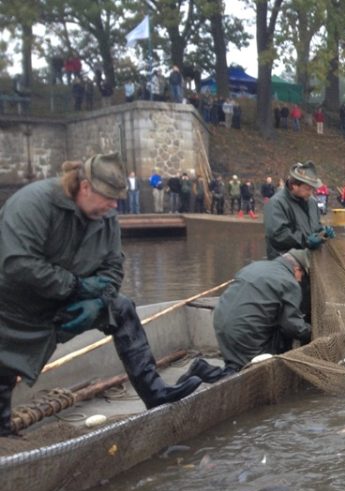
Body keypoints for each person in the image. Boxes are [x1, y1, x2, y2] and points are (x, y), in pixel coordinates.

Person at [0, 154, 201, 435]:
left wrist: (100, 300)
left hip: (65, 304)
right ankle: (4, 433)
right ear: (84, 187)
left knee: (121, 309)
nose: (114, 205)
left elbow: (114, 267)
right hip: (13, 309)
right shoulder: (32, 204)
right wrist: (76, 287)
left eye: (117, 199)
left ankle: (156, 393)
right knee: (4, 367)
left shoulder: (104, 216)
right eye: (108, 197)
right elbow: (17, 264)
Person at [177, 250, 313, 385]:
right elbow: (292, 326)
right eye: (302, 275)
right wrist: (310, 330)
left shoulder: (255, 266)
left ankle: (210, 370)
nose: (300, 279)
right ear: (296, 269)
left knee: (235, 365)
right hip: (245, 330)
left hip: (221, 322)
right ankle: (203, 370)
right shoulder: (290, 283)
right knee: (247, 378)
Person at [264, 161, 333, 260]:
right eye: (307, 189)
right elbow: (278, 235)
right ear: (294, 186)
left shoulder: (312, 202)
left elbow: (315, 227)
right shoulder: (276, 203)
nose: (311, 193)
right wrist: (307, 241)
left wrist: (323, 234)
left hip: (309, 262)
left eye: (312, 189)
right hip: (284, 265)